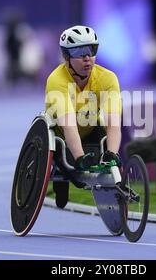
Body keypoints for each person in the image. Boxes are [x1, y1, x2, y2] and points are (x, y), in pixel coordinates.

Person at [45, 25, 122, 208]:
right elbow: (68, 125)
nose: (87, 57)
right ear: (66, 58)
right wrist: (79, 157)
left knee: (106, 141)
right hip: (60, 135)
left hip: (90, 128)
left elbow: (113, 122)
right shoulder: (57, 80)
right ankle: (61, 181)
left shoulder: (108, 78)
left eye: (91, 50)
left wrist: (112, 154)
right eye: (80, 52)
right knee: (78, 179)